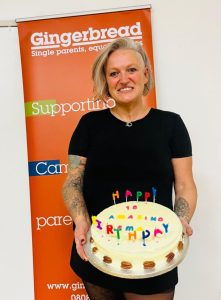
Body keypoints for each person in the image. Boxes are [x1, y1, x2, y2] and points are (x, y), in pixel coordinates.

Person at [62, 37, 197, 300]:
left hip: (153, 254)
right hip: (99, 247)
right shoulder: (89, 125)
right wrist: (80, 222)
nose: (123, 79)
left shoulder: (171, 125)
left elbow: (184, 185)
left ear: (145, 75)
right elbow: (73, 181)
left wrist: (181, 220)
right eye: (114, 73)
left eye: (131, 70)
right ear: (106, 80)